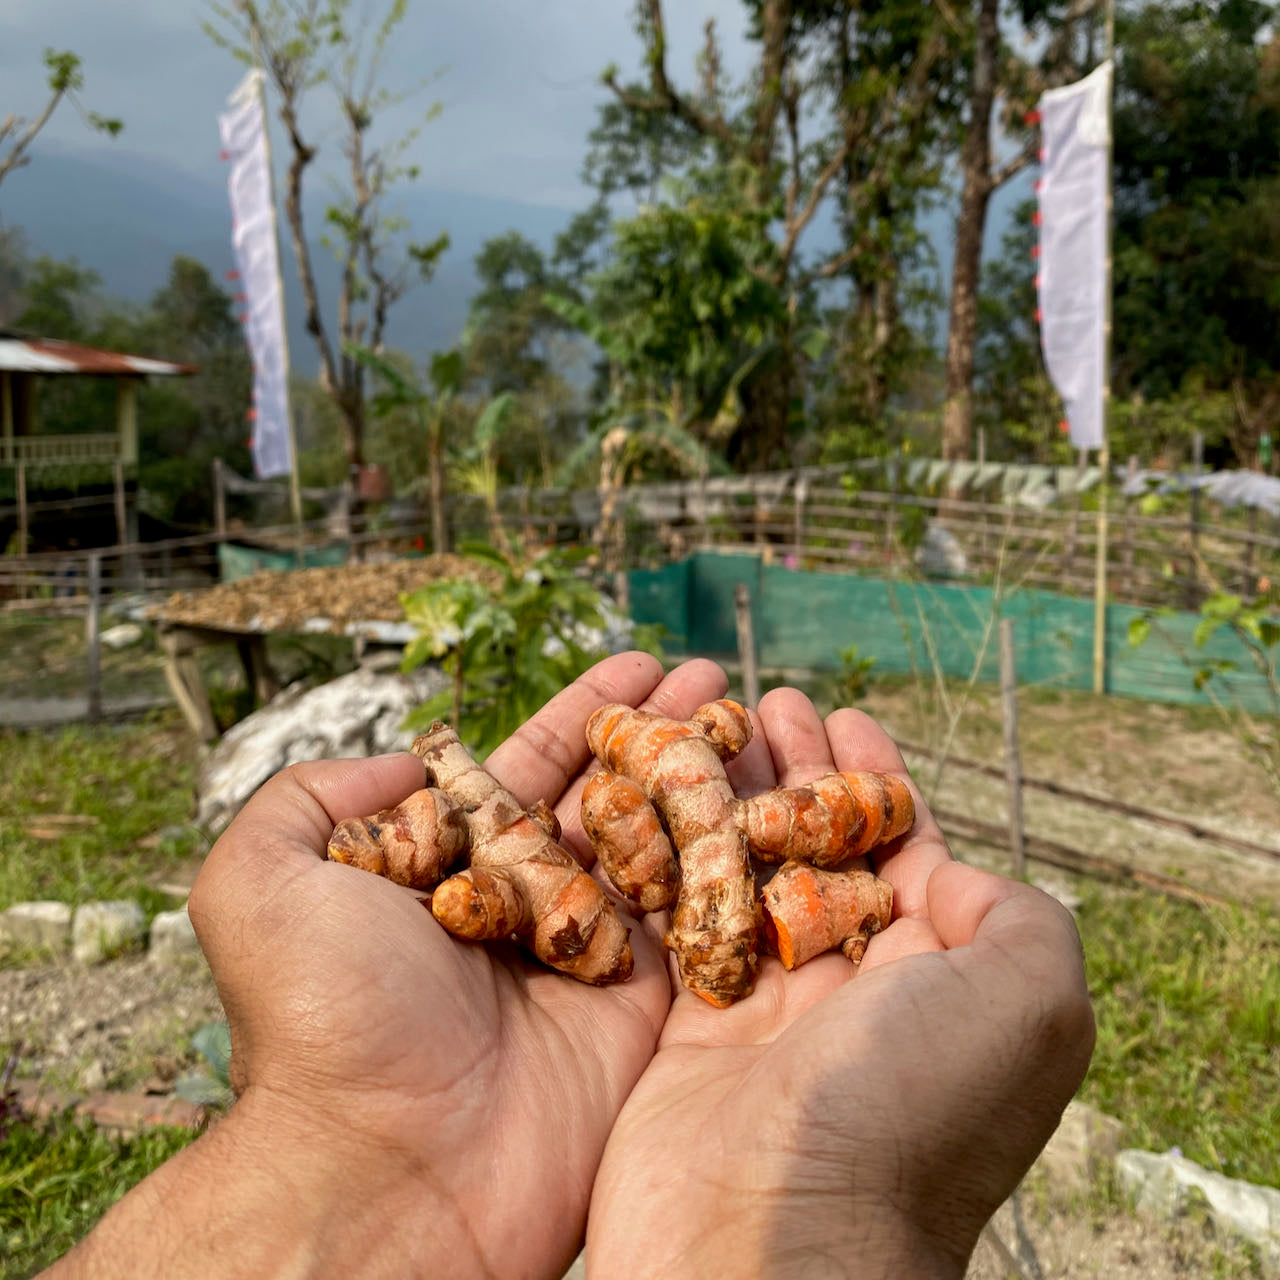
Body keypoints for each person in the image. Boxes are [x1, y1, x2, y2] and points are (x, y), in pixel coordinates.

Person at [43, 653, 1094, 1279]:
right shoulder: (551, 847)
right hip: (605, 870)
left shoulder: (684, 826)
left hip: (673, 860)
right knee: (694, 823)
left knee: (716, 821)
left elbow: (692, 825)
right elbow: (649, 830)